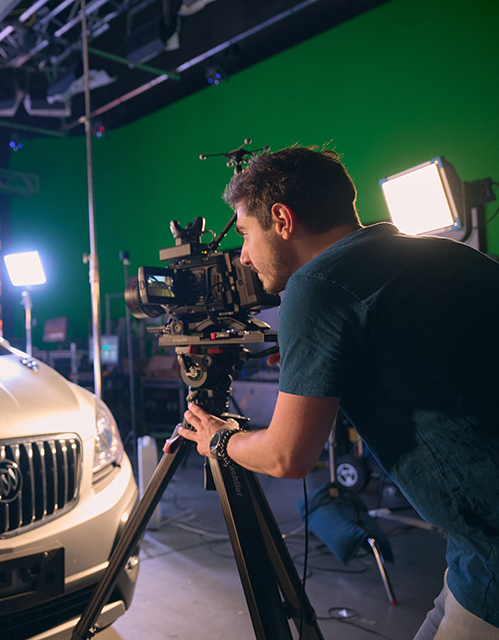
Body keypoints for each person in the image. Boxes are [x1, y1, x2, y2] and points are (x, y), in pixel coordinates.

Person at [175, 145, 499, 638]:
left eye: (244, 234)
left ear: (282, 219)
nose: (242, 256)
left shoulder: (316, 284)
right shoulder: (444, 253)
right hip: (472, 547)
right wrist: (324, 361)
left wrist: (218, 440)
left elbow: (288, 458)